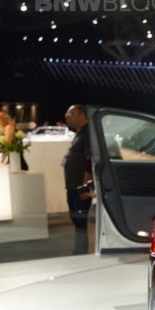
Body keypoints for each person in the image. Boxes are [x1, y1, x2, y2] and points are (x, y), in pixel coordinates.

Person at [63, 105, 93, 255]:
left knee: (80, 221)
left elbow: (90, 160)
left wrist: (85, 187)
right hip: (73, 186)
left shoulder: (87, 134)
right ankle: (79, 250)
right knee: (77, 221)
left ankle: (81, 252)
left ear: (82, 115)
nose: (67, 116)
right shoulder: (80, 133)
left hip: (79, 187)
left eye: (71, 113)